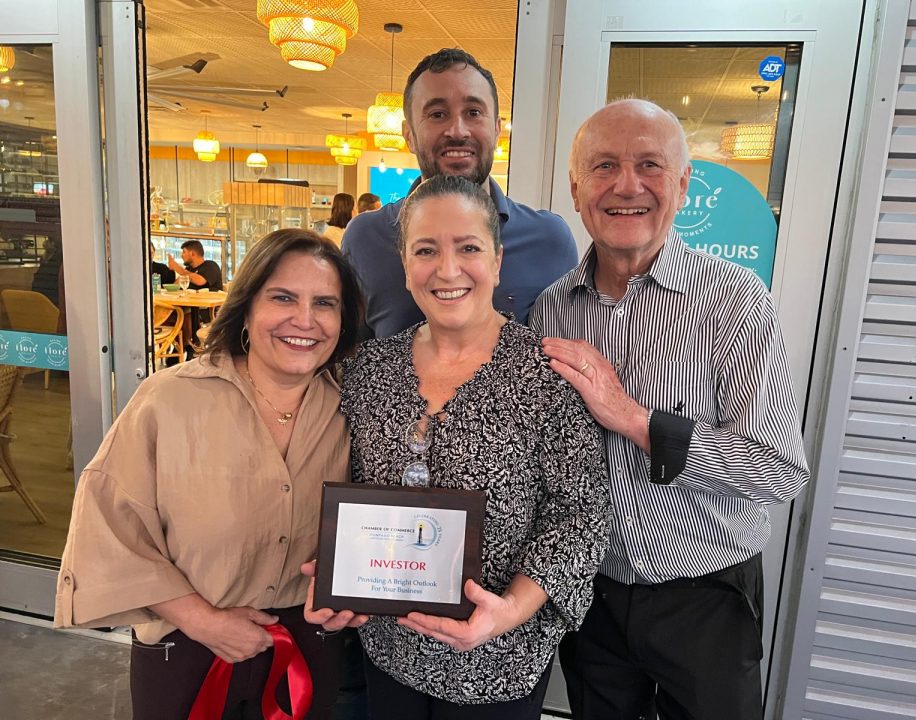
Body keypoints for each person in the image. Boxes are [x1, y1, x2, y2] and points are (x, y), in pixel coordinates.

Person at [528, 99, 810, 720]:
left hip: (705, 600)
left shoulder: (735, 301)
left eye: (649, 165)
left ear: (681, 184)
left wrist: (636, 419)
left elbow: (780, 471)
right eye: (603, 167)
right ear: (577, 191)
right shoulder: (550, 311)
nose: (626, 185)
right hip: (590, 597)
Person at [305, 175, 610, 719]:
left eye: (468, 248)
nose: (447, 270)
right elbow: (341, 487)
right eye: (426, 250)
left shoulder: (548, 375)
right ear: (405, 265)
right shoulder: (370, 370)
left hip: (499, 658)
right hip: (390, 648)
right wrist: (337, 568)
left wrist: (510, 610)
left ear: (496, 261)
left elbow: (579, 515)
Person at [54, 229, 365, 720]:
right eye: (283, 297)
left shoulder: (355, 409)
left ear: (343, 320)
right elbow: (109, 526)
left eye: (324, 303)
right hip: (187, 645)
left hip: (310, 642)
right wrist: (203, 621)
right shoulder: (169, 400)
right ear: (246, 307)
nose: (304, 320)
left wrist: (362, 587)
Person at [341, 48, 578, 338]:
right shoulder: (366, 238)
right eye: (437, 114)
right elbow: (347, 360)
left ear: (496, 129)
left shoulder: (549, 240)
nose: (457, 130)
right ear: (409, 135)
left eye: (473, 112)